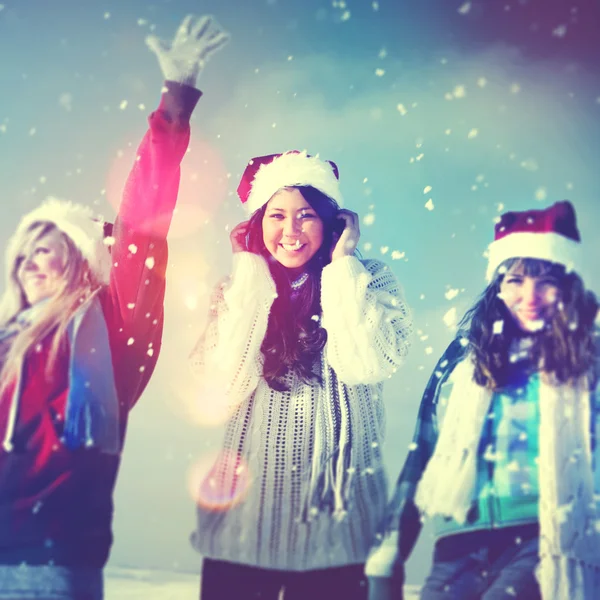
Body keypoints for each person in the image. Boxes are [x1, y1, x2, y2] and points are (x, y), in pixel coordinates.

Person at [0, 15, 228, 600]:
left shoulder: (111, 330)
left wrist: (174, 101)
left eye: (47, 250)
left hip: (47, 562)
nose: (29, 262)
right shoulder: (5, 342)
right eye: (23, 251)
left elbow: (141, 227)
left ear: (81, 264)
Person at [189, 150, 413, 600]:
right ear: (257, 223)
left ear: (333, 222)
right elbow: (221, 387)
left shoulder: (371, 279)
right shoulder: (235, 290)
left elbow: (368, 363)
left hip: (340, 538)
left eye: (305, 216)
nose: (290, 231)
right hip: (243, 534)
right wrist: (250, 279)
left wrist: (342, 266)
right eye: (276, 216)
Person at [365, 200, 600, 600]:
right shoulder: (465, 356)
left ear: (566, 285)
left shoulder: (587, 358)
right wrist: (391, 548)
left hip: (543, 538)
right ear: (498, 285)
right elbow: (424, 450)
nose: (531, 295)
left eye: (546, 281)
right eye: (516, 280)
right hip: (458, 539)